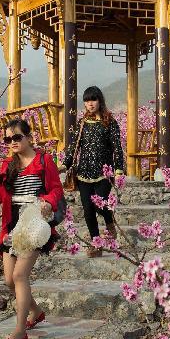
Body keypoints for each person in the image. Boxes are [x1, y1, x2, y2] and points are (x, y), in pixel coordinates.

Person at [0, 119, 63, 339]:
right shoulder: (7, 165)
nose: (12, 142)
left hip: (33, 223)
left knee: (20, 275)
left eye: (16, 137)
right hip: (12, 224)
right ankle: (37, 312)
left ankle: (20, 329)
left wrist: (48, 203)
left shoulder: (44, 160)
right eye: (7, 139)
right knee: (9, 280)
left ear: (28, 137)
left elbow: (56, 189)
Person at [62, 85, 125, 258]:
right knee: (88, 209)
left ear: (100, 101)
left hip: (104, 173)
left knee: (101, 204)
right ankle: (96, 243)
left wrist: (119, 169)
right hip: (84, 173)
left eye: (93, 100)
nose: (90, 104)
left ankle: (109, 221)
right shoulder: (82, 123)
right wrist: (64, 164)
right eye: (87, 101)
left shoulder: (110, 122)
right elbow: (73, 147)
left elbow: (117, 148)